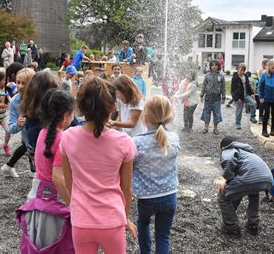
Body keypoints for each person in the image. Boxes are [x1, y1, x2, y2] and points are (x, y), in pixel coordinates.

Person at [61, 77, 138, 253]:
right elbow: (126, 188)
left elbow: (69, 183)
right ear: (112, 107)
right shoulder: (124, 142)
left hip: (81, 220)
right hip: (112, 219)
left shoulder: (68, 137)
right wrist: (124, 218)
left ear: (80, 106)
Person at [133, 95, 180, 254]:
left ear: (145, 117)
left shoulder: (137, 142)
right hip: (169, 195)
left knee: (143, 223)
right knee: (163, 236)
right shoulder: (174, 138)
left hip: (146, 198)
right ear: (169, 117)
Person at [217, 136, 273, 238]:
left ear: (222, 147)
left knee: (223, 196)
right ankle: (253, 225)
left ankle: (231, 228)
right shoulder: (246, 152)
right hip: (267, 178)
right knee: (253, 192)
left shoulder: (228, 149)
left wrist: (227, 179)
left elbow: (229, 160)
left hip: (250, 178)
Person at [28, 89, 74, 203]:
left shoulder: (42, 132)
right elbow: (58, 177)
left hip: (37, 195)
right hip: (54, 200)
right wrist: (73, 204)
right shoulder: (62, 139)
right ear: (65, 115)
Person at [1, 68, 36, 178]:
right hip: (30, 143)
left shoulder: (41, 98)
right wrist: (18, 124)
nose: (20, 86)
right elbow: (11, 128)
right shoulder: (14, 101)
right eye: (18, 82)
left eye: (24, 83)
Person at [200, 59, 226, 135]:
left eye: (216, 65)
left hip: (217, 99)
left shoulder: (221, 76)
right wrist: (202, 95)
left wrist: (223, 97)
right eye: (212, 65)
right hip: (208, 98)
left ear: (219, 66)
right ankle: (206, 128)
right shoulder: (207, 75)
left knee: (217, 114)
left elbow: (223, 88)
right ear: (210, 66)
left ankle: (215, 128)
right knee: (206, 113)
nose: (214, 67)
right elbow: (204, 86)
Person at [231, 63, 257, 130]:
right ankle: (237, 123)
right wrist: (236, 98)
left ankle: (252, 116)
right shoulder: (235, 78)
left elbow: (248, 86)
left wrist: (251, 94)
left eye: (243, 70)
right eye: (241, 70)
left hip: (246, 95)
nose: (242, 72)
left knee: (254, 103)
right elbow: (232, 90)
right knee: (239, 110)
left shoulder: (245, 76)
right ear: (238, 69)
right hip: (239, 97)